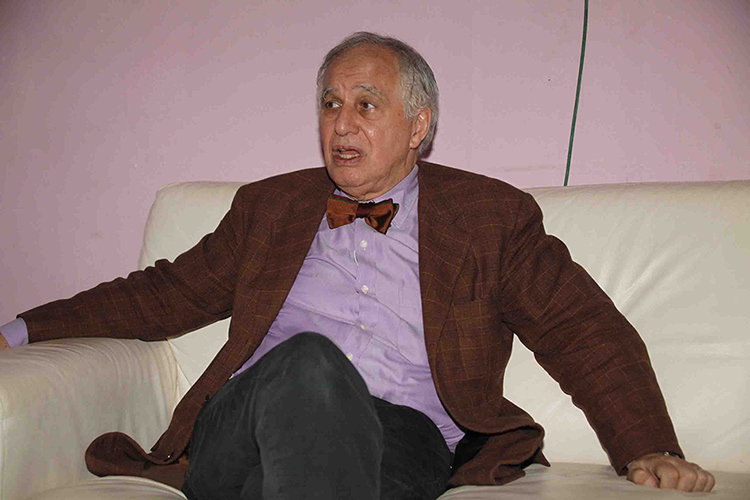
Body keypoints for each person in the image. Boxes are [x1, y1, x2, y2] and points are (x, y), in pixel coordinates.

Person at [0, 32, 715, 498]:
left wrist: (647, 446)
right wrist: (19, 331)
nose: (341, 123)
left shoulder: (490, 217)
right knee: (310, 363)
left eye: (367, 105)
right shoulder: (270, 208)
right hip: (250, 421)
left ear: (418, 126)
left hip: (403, 439)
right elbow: (163, 294)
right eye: (331, 103)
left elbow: (581, 329)